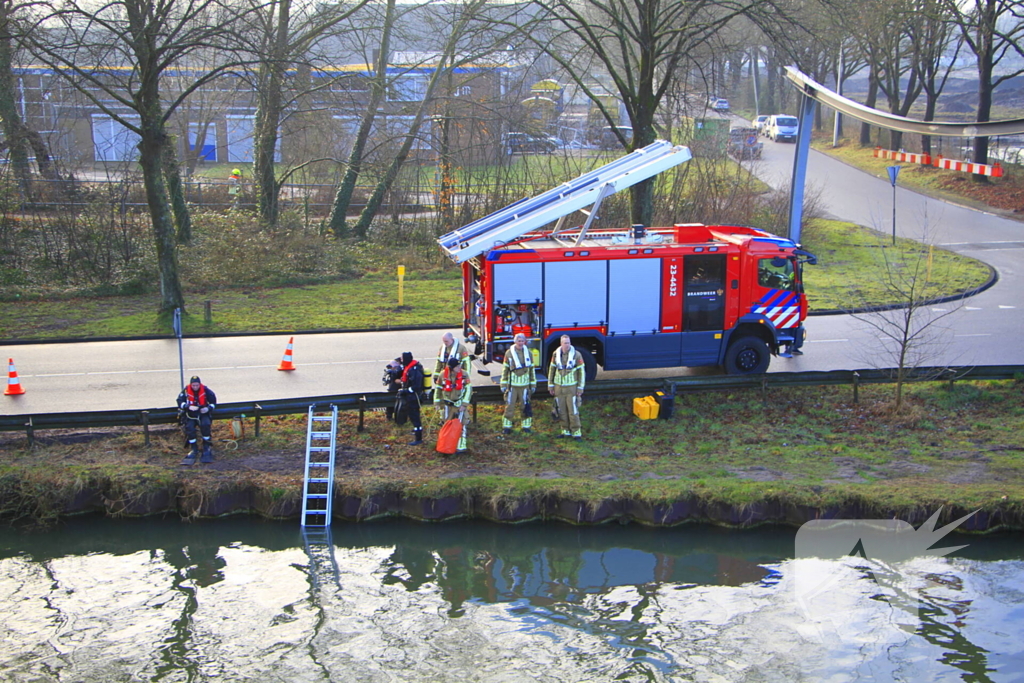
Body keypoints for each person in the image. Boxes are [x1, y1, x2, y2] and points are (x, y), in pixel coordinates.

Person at [548, 335, 585, 441]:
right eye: (565, 343)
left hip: (571, 387)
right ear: (561, 344)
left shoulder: (577, 355)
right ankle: (565, 431)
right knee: (561, 410)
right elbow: (552, 370)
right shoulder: (556, 354)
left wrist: (580, 388)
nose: (567, 345)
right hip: (559, 388)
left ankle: (576, 433)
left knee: (573, 411)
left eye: (568, 342)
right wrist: (551, 385)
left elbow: (581, 372)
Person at [499, 333, 536, 434]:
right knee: (509, 406)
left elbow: (532, 370)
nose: (520, 343)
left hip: (524, 386)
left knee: (525, 407)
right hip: (512, 386)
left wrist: (533, 385)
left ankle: (526, 426)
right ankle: (507, 427)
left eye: (522, 341)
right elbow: (505, 370)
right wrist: (503, 384)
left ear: (525, 342)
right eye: (518, 341)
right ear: (515, 341)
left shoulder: (529, 353)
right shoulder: (509, 353)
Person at [177, 375, 218, 465]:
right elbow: (179, 401)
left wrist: (208, 409)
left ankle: (206, 446)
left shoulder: (206, 390)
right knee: (190, 428)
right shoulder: (186, 391)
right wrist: (188, 406)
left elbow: (213, 402)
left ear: (200, 384)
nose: (195, 387)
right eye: (193, 385)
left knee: (205, 425)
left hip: (203, 413)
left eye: (197, 385)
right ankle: (194, 448)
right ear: (191, 385)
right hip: (191, 414)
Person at [438, 356, 472, 453]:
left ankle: (461, 446)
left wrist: (464, 404)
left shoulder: (464, 375)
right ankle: (446, 446)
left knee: (462, 424)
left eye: (459, 366)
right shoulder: (443, 375)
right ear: (451, 368)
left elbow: (468, 390)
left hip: (459, 404)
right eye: (457, 366)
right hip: (447, 405)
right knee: (446, 425)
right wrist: (437, 403)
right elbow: (438, 389)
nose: (459, 368)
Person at [432, 332, 470, 415]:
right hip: (445, 377)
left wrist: (466, 376)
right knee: (444, 396)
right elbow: (439, 362)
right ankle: (445, 417)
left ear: (452, 339)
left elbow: (467, 363)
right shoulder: (442, 348)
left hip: (458, 377)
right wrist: (436, 375)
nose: (445, 343)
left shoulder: (461, 349)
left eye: (446, 341)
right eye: (444, 341)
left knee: (457, 395)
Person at [398, 351, 426, 445]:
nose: (401, 360)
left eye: (402, 359)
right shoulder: (409, 367)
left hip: (414, 397)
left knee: (415, 417)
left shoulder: (414, 370)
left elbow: (416, 386)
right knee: (412, 416)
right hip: (411, 397)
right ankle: (416, 430)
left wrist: (405, 391)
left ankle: (418, 438)